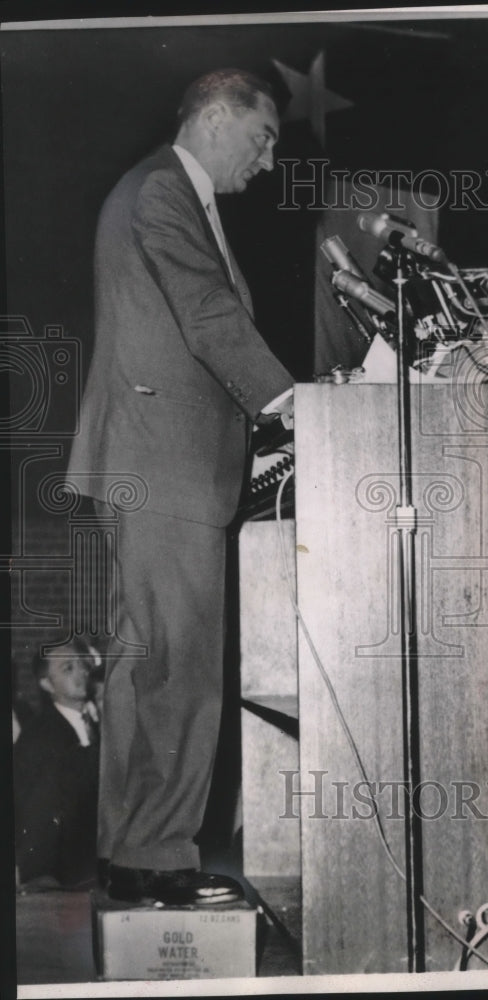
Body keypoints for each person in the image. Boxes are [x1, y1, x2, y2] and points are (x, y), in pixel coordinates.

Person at [66, 69, 293, 906]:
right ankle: (157, 858)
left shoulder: (159, 192)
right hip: (162, 466)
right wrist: (285, 401)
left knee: (148, 662)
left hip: (154, 465)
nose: (268, 161)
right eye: (263, 137)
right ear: (217, 115)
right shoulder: (164, 190)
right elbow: (206, 312)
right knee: (177, 667)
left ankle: (137, 852)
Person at [13, 640, 101, 888]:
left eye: (82, 665)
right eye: (67, 669)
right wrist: (42, 877)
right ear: (46, 684)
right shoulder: (38, 738)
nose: (82, 672)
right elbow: (34, 817)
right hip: (65, 878)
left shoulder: (97, 721)